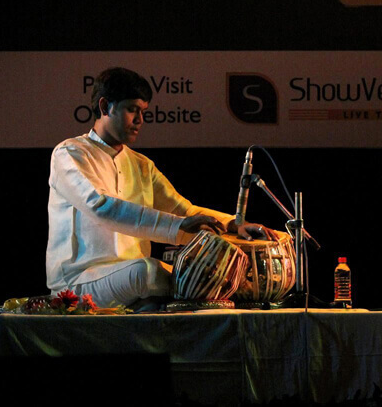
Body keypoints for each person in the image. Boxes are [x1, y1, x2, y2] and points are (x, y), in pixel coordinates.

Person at [46, 67, 271, 310]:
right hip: (78, 282)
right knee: (149, 271)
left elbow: (183, 210)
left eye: (143, 112)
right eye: (132, 109)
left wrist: (232, 225)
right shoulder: (70, 153)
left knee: (190, 273)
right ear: (104, 107)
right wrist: (176, 226)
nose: (140, 120)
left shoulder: (141, 165)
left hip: (131, 279)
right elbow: (100, 207)